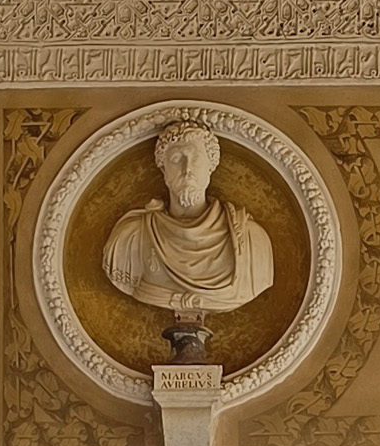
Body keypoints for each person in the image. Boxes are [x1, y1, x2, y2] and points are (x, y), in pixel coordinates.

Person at [102, 118, 274, 316]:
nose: (187, 169)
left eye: (196, 159)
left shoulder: (252, 240)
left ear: (211, 167)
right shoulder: (131, 236)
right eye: (176, 159)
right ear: (163, 169)